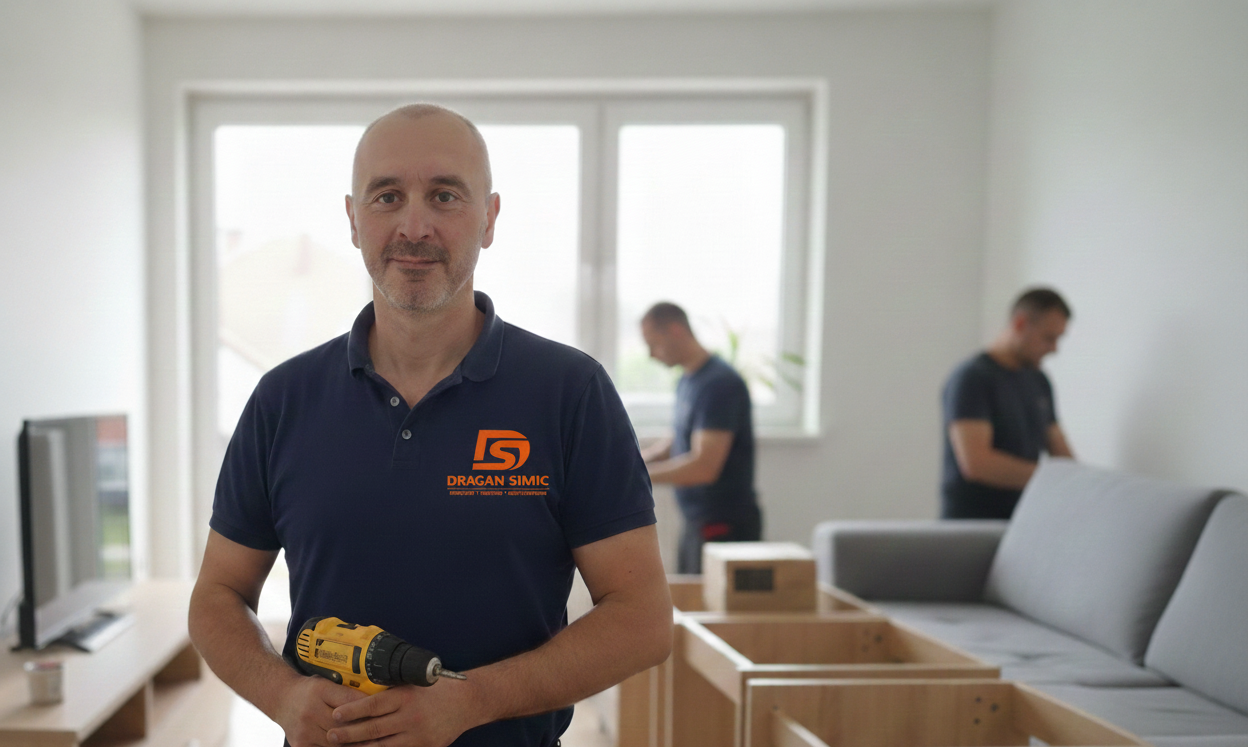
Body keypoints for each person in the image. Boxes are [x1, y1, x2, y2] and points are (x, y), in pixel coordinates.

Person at [188, 104, 672, 747]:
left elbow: (642, 619)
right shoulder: (284, 399)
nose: (414, 227)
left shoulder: (569, 393)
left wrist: (472, 702)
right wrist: (281, 696)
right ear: (354, 220)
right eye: (387, 196)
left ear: (489, 219)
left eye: (445, 196)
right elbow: (217, 596)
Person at [639, 302, 761, 574]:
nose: (651, 355)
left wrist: (638, 476)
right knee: (690, 594)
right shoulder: (689, 380)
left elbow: (704, 467)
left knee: (708, 600)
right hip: (697, 520)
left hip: (724, 525)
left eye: (654, 344)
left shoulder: (720, 384)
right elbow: (678, 439)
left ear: (676, 330)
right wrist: (636, 461)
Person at [941, 287, 1076, 519]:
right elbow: (977, 464)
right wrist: (1054, 478)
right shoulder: (973, 377)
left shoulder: (1039, 381)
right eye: (1048, 338)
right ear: (1020, 323)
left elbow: (1060, 450)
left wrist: (1087, 484)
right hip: (972, 527)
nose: (1054, 349)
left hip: (1021, 521)